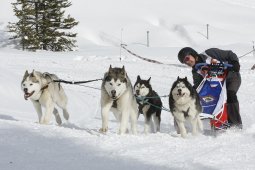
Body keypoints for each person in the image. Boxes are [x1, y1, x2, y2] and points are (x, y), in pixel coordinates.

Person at [177, 47, 242, 129]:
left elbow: (230, 54)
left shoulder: (209, 53)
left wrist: (235, 63)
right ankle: (217, 121)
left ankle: (236, 124)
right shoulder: (196, 70)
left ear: (192, 54)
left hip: (231, 77)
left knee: (230, 95)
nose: (187, 62)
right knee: (211, 98)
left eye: (187, 58)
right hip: (217, 84)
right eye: (184, 62)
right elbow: (198, 85)